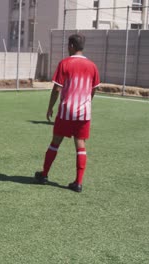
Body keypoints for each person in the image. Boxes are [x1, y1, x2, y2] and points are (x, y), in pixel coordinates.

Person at [34, 34, 100, 193]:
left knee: (55, 142)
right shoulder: (92, 66)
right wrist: (87, 102)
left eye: (67, 45)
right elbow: (94, 89)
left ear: (71, 45)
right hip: (84, 112)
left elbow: (57, 89)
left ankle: (44, 174)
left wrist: (50, 107)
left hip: (66, 111)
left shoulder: (65, 63)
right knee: (81, 145)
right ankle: (78, 182)